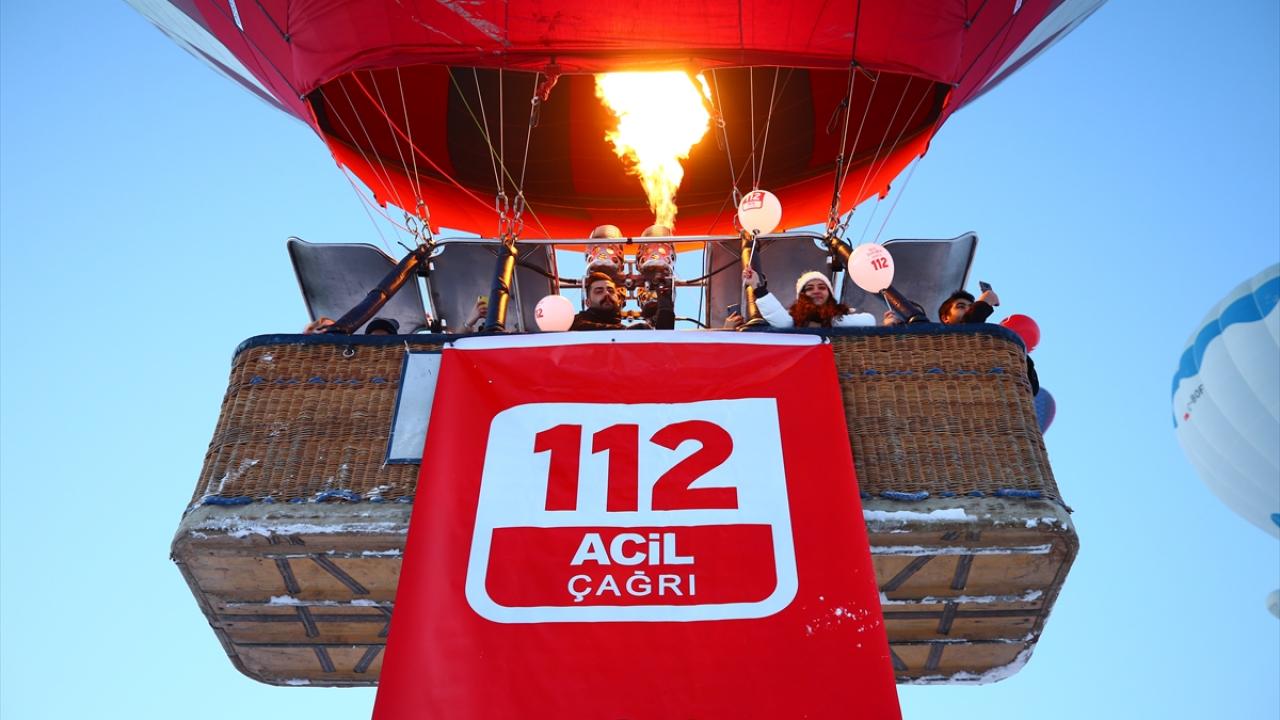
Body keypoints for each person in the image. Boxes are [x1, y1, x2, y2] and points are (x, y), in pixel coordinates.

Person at [939, 287, 1039, 394]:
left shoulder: (989, 345)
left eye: (971, 307)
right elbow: (965, 333)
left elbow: (1031, 387)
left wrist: (1016, 349)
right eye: (961, 306)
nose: (968, 310)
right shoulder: (937, 342)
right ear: (945, 318)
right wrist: (984, 303)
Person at [741, 269, 875, 328]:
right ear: (802, 296)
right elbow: (782, 321)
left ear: (830, 293)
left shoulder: (842, 315)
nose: (816, 291)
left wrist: (831, 319)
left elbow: (869, 320)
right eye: (810, 288)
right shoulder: (792, 318)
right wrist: (756, 286)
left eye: (822, 287)